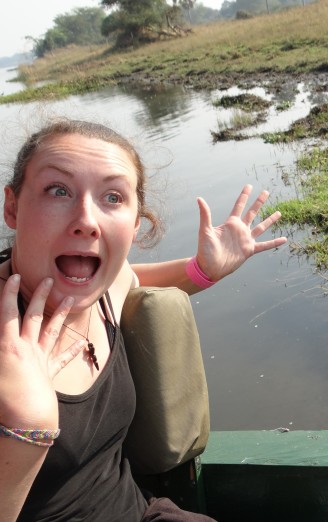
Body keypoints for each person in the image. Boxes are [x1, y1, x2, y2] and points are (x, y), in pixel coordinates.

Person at [0, 118, 287, 521]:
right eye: (58, 190)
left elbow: (130, 277)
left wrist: (203, 269)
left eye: (112, 197)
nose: (86, 220)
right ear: (12, 207)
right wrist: (25, 430)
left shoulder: (100, 291)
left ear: (136, 224)